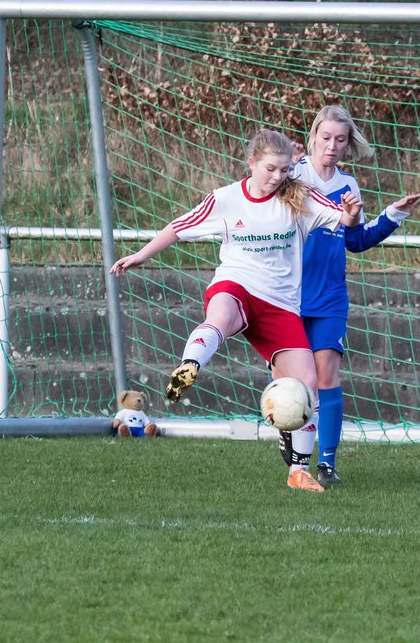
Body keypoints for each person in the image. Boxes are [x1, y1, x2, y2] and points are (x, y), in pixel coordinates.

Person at [111, 129, 361, 492]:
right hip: (236, 285)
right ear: (252, 163)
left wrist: (352, 215)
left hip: (279, 306)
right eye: (270, 169)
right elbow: (178, 228)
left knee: (307, 385)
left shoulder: (301, 198)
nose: (277, 177)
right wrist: (140, 255)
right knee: (221, 317)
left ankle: (297, 471)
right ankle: (189, 367)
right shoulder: (226, 199)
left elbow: (344, 220)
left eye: (284, 170)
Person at [291, 105, 420, 486]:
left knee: (327, 375)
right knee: (294, 382)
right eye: (326, 137)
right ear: (314, 135)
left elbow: (356, 241)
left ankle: (327, 464)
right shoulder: (292, 174)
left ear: (349, 144)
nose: (332, 146)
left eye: (341, 140)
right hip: (286, 292)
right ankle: (291, 440)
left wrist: (392, 215)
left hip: (330, 295)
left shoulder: (348, 185)